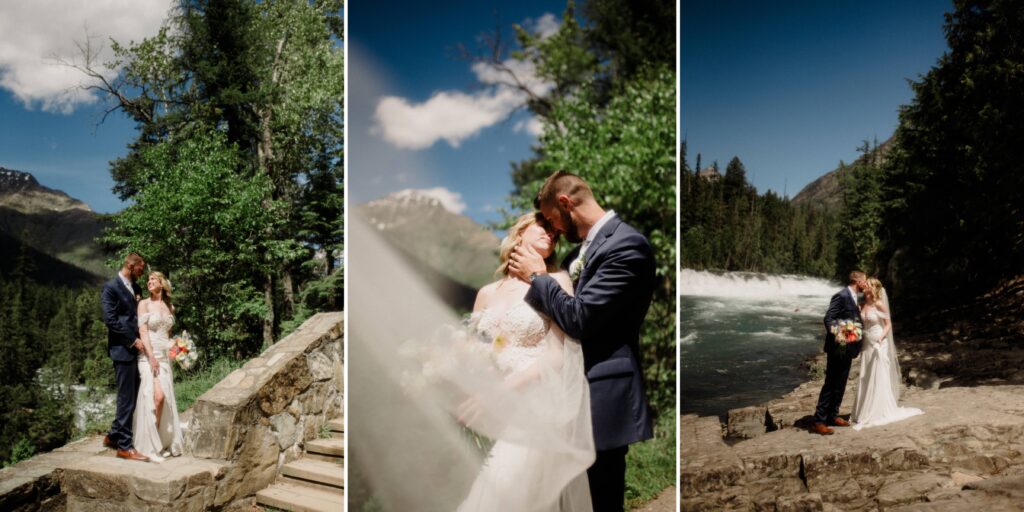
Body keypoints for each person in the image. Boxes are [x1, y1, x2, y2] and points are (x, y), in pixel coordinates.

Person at [509, 171, 656, 512]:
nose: (554, 229)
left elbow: (581, 319)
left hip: (602, 398)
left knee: (602, 499)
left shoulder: (627, 244)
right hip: (563, 399)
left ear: (565, 203)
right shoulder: (576, 256)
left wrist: (535, 276)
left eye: (551, 219)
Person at [457, 212, 594, 511]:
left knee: (504, 492)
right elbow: (471, 352)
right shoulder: (486, 293)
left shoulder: (555, 281)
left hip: (536, 406)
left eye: (555, 233)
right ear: (519, 233)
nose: (552, 234)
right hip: (491, 409)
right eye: (544, 227)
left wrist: (501, 390)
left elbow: (557, 357)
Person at [850, 277, 923, 429]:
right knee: (866, 374)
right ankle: (863, 410)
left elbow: (888, 325)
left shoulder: (879, 304)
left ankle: (877, 410)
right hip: (866, 343)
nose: (865, 286)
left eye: (868, 284)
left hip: (878, 342)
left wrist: (880, 339)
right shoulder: (864, 303)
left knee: (877, 374)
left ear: (874, 288)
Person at [100, 252, 150, 461]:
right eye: (141, 269)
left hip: (137, 352)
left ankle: (113, 435)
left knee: (132, 395)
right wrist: (133, 340)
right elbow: (111, 320)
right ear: (131, 265)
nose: (143, 273)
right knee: (126, 398)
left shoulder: (136, 288)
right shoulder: (110, 288)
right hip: (122, 350)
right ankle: (125, 447)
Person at [132, 271, 184, 462]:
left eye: (153, 279)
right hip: (148, 357)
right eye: (148, 280)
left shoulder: (170, 306)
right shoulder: (144, 304)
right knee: (155, 397)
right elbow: (143, 332)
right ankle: (148, 447)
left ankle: (161, 442)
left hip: (165, 357)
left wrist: (177, 350)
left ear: (162, 284)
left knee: (165, 398)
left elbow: (167, 335)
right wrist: (151, 356)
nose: (149, 282)